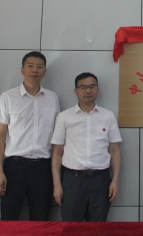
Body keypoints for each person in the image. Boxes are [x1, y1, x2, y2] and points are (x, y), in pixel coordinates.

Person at [0, 51, 60, 220]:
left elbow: (56, 139)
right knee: (9, 218)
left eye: (39, 67)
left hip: (43, 168)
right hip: (14, 167)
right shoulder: (8, 97)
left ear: (44, 71)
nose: (34, 70)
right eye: (30, 66)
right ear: (22, 69)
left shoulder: (52, 98)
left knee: (41, 219)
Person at [51, 72, 122, 222]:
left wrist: (115, 180)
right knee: (71, 228)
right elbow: (57, 152)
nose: (88, 91)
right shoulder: (64, 117)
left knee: (97, 228)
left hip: (101, 181)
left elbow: (114, 150)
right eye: (83, 87)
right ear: (75, 91)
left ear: (97, 89)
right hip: (73, 181)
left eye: (92, 86)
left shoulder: (108, 116)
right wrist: (57, 184)